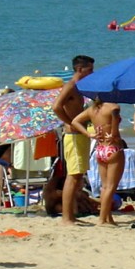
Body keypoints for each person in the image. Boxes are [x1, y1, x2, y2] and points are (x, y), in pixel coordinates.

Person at [51, 54, 96, 226]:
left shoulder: (80, 87)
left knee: (78, 175)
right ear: (79, 69)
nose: (92, 73)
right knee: (74, 175)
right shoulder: (70, 86)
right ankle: (67, 217)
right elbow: (56, 106)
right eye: (89, 69)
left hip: (80, 133)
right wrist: (70, 122)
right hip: (73, 134)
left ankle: (70, 215)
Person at [71, 97, 125, 226]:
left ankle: (108, 218)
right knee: (111, 187)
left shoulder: (93, 109)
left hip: (100, 149)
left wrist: (89, 134)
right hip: (113, 148)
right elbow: (115, 131)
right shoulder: (114, 107)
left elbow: (75, 121)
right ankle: (102, 219)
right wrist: (113, 134)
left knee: (104, 187)